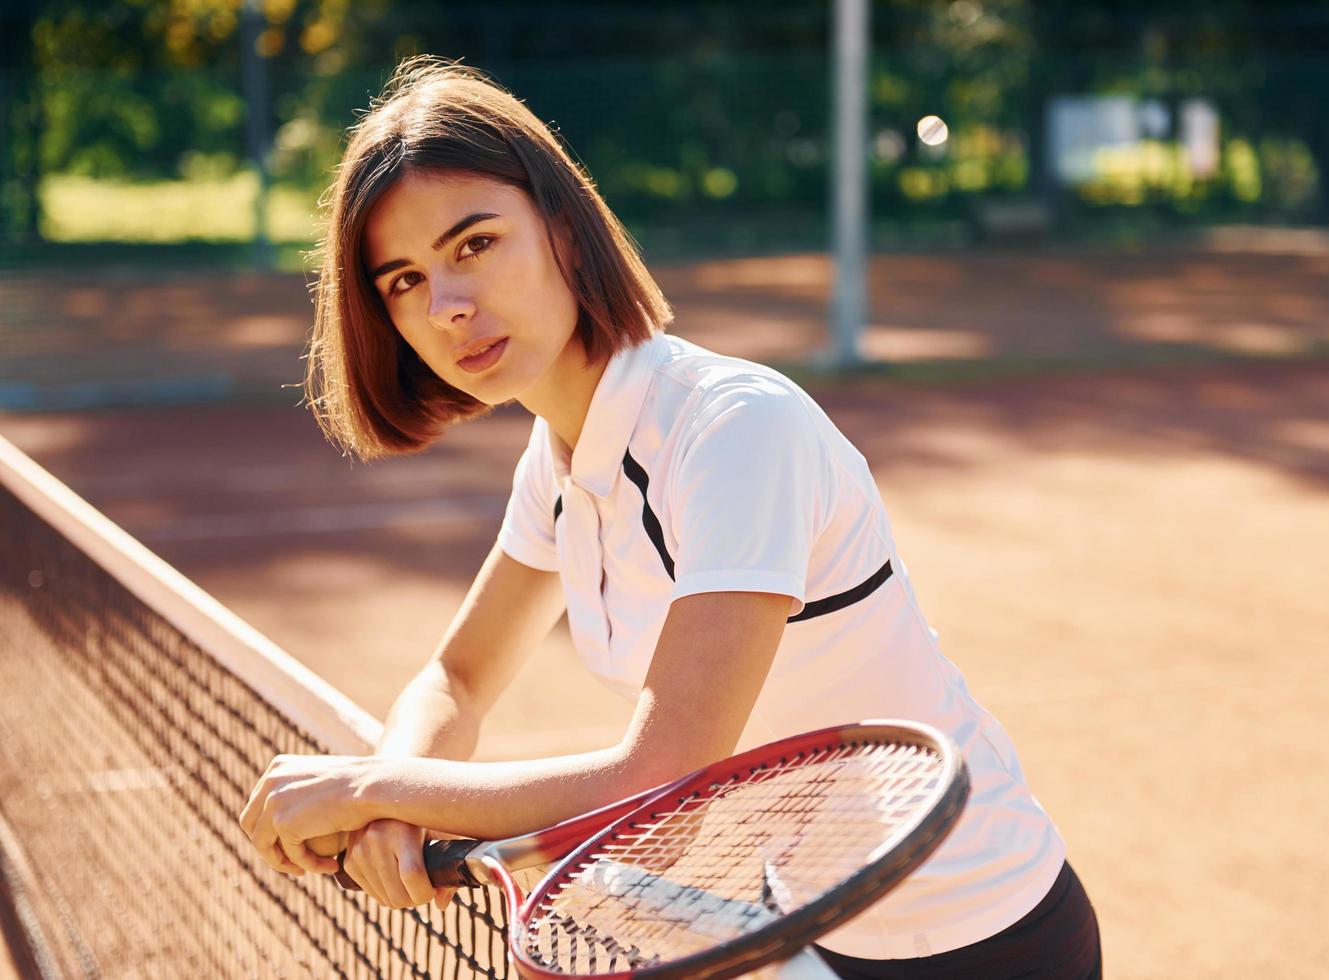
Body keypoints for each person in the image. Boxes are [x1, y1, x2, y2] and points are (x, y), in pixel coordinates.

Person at [239, 56, 1101, 979]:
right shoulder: (563, 458)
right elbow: (457, 677)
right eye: (403, 280)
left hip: (983, 933)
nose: (448, 305)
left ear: (564, 231)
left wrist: (378, 783)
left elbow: (666, 776)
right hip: (806, 926)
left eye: (475, 244)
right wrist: (395, 807)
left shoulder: (733, 430)